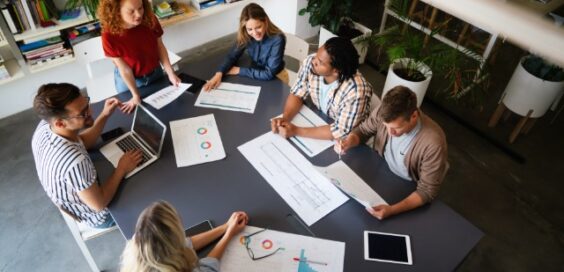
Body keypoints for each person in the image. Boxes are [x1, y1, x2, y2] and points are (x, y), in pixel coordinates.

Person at [31, 83, 142, 228]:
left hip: (80, 191)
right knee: (148, 189)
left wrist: (104, 115)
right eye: (83, 113)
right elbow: (99, 204)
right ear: (60, 123)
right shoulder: (75, 162)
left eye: (86, 103)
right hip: (98, 215)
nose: (90, 111)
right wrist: (121, 169)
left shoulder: (45, 126)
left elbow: (81, 142)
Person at [336, 86, 448, 220]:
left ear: (414, 116)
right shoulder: (383, 113)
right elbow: (364, 131)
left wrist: (392, 210)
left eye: (396, 128)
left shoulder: (433, 143)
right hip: (380, 170)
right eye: (386, 126)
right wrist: (349, 141)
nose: (390, 133)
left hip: (407, 188)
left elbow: (426, 191)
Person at [271, 37, 372, 140]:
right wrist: (285, 118)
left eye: (320, 62)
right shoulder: (312, 62)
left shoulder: (356, 92)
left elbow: (341, 131)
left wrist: (296, 131)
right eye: (317, 55)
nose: (313, 61)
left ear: (336, 71)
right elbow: (297, 93)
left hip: (349, 140)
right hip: (323, 119)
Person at [98, 0, 181, 114]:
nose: (138, 15)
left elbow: (159, 47)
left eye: (140, 8)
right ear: (116, 11)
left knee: (166, 111)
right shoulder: (109, 35)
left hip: (155, 72)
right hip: (130, 81)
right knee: (136, 114)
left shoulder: (150, 20)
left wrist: (170, 73)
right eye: (131, 11)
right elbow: (124, 69)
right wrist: (135, 95)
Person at [120, 201, 248, 272]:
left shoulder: (138, 243)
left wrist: (225, 227)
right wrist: (229, 234)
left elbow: (186, 243)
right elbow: (209, 267)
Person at [203, 3, 286, 90]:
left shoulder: (278, 39)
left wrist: (239, 70)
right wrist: (219, 74)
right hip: (255, 71)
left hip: (276, 77)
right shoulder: (246, 34)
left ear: (265, 21)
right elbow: (232, 56)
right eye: (250, 29)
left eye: (258, 27)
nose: (254, 33)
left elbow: (269, 74)